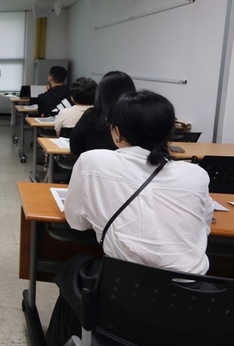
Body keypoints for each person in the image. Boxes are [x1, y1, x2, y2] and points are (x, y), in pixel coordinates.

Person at [45, 90, 213, 345]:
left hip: (124, 297)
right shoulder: (196, 175)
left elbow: (76, 222)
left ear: (116, 132)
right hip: (194, 302)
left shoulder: (93, 162)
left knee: (75, 268)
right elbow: (204, 228)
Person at [70, 71, 136, 155]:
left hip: (94, 165)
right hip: (129, 166)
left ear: (101, 92)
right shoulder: (138, 118)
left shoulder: (92, 116)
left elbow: (74, 146)